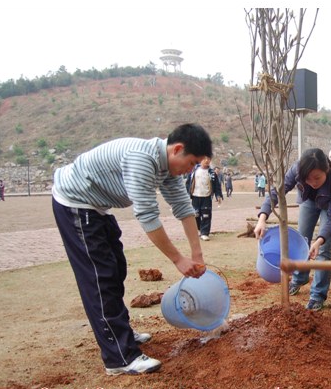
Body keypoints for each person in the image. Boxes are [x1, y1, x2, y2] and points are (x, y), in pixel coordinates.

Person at [51, 123, 212, 375]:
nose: (191, 169)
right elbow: (147, 215)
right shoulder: (142, 159)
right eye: (192, 163)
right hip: (75, 203)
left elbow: (182, 206)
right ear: (177, 149)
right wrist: (178, 259)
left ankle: (120, 332)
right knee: (100, 278)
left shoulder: (167, 167)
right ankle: (119, 357)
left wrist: (197, 254)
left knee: (116, 268)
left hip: (97, 208)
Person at [254, 148, 331, 312]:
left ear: (326, 169)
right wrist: (263, 217)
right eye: (307, 178)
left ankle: (317, 295)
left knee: (323, 251)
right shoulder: (297, 170)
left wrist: (319, 241)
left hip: (329, 206)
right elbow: (276, 192)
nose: (312, 182)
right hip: (309, 201)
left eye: (317, 178)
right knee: (301, 240)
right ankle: (299, 278)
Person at [186, 156, 222, 241]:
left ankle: (205, 233)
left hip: (206, 197)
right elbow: (188, 183)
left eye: (208, 159)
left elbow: (217, 185)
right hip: (195, 196)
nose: (206, 161)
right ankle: (199, 229)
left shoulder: (212, 173)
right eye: (204, 158)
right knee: (196, 215)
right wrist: (187, 194)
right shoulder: (193, 171)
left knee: (206, 215)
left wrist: (218, 195)